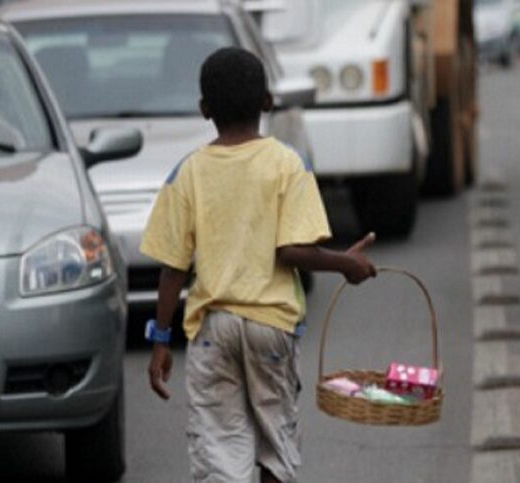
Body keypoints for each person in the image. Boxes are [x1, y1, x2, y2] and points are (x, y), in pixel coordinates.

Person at [140, 47, 378, 483]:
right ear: (268, 102)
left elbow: (173, 268)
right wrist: (345, 263)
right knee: (275, 444)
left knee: (219, 446)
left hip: (213, 330)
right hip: (271, 326)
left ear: (204, 109)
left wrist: (160, 340)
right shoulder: (288, 165)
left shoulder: (187, 172)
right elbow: (292, 252)